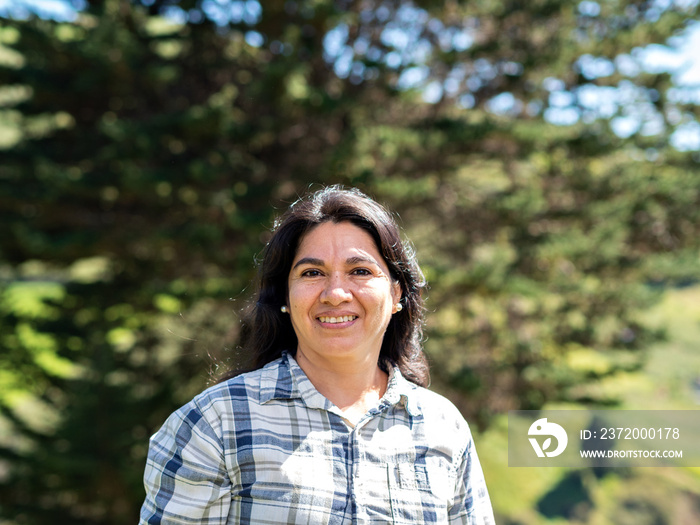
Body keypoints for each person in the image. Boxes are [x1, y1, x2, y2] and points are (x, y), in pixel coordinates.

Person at [139, 186, 495, 524]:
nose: (336, 292)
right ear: (285, 297)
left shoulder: (443, 428)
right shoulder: (214, 424)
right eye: (312, 272)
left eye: (360, 271)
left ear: (397, 293)